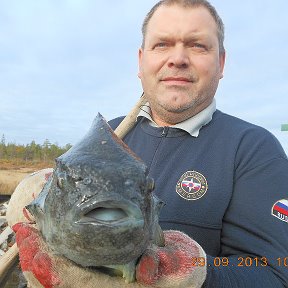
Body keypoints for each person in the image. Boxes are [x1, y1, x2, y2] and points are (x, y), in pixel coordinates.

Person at [12, 0, 288, 287]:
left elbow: (275, 272)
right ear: (141, 61)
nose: (177, 59)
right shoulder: (112, 132)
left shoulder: (254, 150)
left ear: (220, 63)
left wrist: (193, 273)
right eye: (162, 45)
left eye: (197, 45)